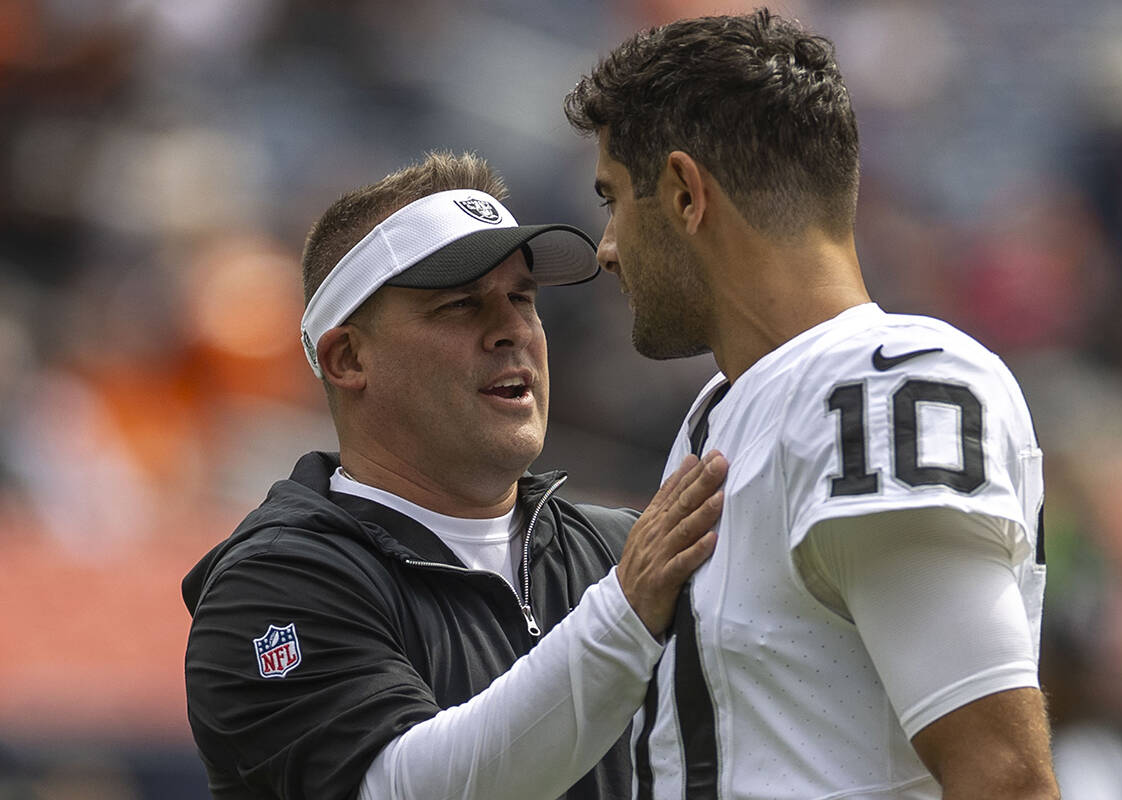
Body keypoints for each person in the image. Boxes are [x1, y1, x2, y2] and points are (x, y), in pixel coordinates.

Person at [564, 10, 1058, 800]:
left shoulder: (881, 385)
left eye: (613, 199)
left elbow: (1002, 776)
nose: (607, 247)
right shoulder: (727, 408)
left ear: (687, 193)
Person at [182, 151, 728, 800]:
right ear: (349, 357)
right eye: (462, 305)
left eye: (522, 298)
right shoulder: (273, 588)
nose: (513, 331)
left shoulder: (620, 550)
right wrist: (625, 616)